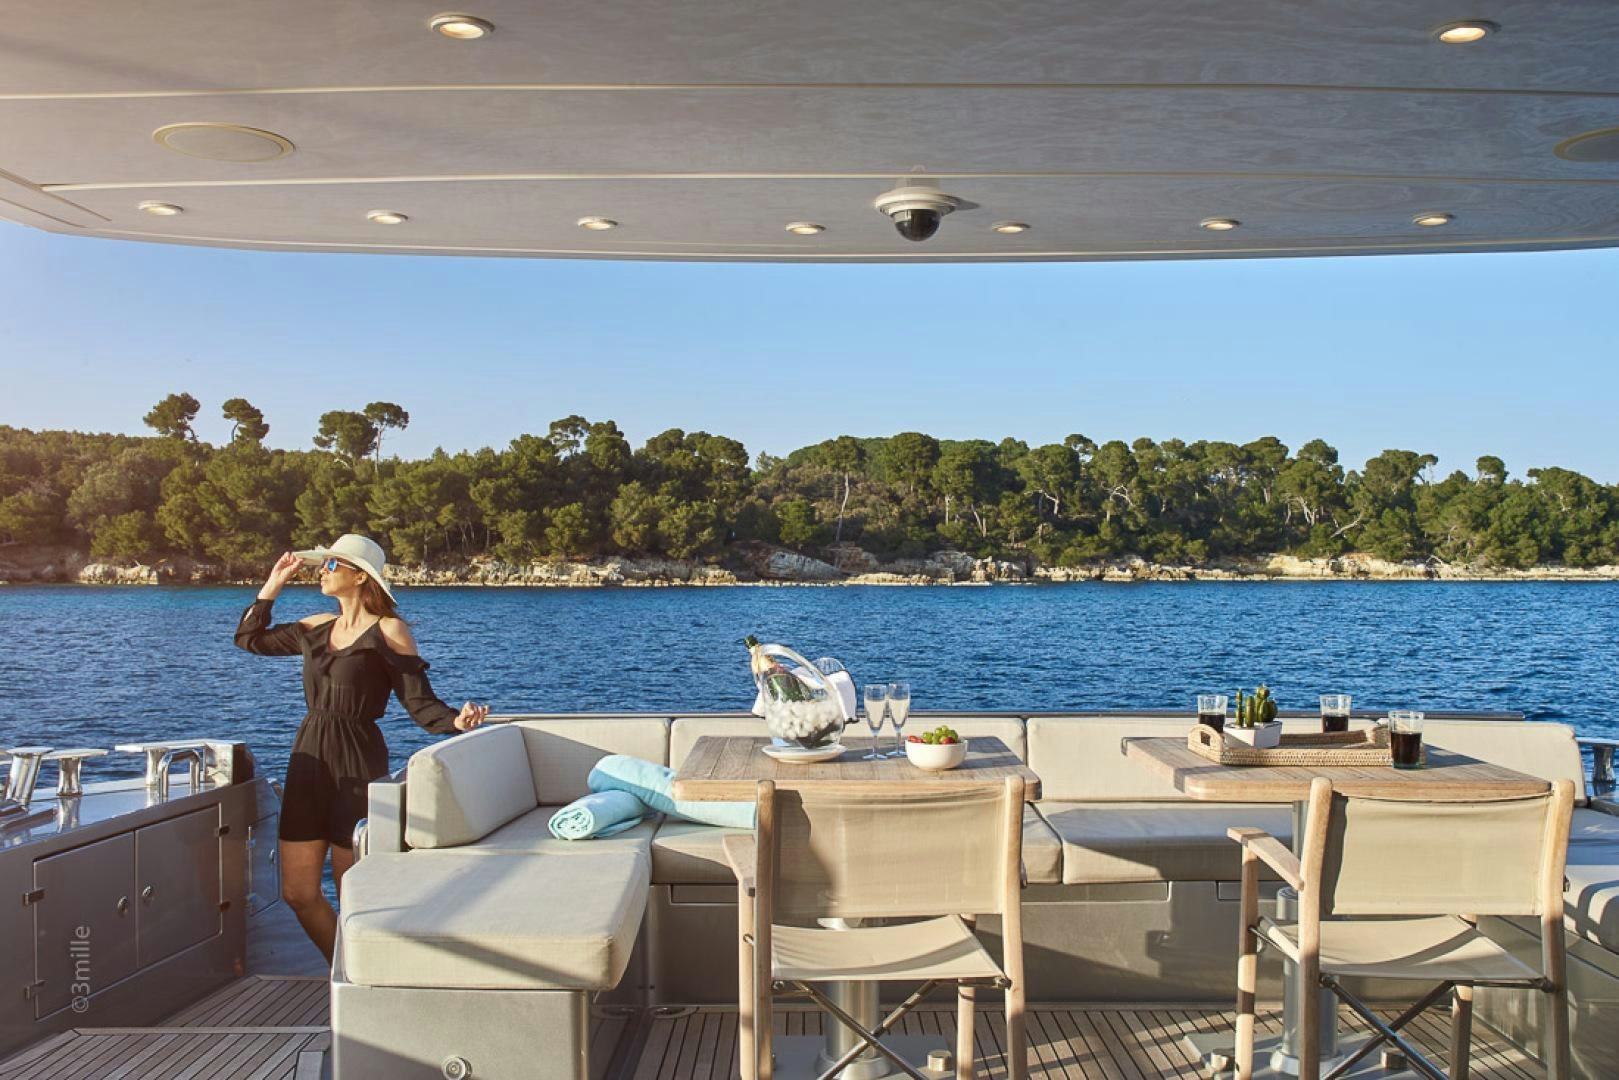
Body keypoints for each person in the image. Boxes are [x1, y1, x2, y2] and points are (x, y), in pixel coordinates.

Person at [234, 533, 489, 962]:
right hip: (309, 754)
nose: (322, 570)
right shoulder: (315, 627)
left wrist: (457, 722)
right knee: (298, 891)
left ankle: (362, 980)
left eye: (332, 565)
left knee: (353, 888)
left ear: (359, 576)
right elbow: (248, 638)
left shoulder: (389, 631)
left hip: (357, 756)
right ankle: (346, 968)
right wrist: (272, 584)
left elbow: (419, 702)